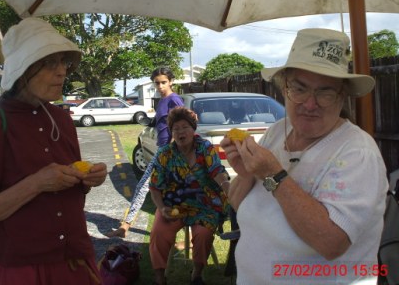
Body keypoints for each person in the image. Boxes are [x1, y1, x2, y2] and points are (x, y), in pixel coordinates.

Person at [220, 28, 389, 284]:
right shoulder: (278, 131)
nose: (310, 104)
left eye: (325, 92)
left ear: (341, 96)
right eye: (299, 89)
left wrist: (273, 175)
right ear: (284, 88)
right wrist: (246, 174)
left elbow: (331, 242)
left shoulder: (358, 152)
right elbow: (236, 204)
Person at [0, 18, 108, 285]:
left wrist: (86, 179)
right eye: (51, 62)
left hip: (74, 260)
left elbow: (71, 188)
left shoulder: (62, 120)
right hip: (22, 270)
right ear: (23, 70)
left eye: (64, 62)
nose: (62, 71)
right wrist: (36, 183)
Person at [149, 107, 230, 285]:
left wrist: (226, 186)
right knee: (159, 232)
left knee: (203, 233)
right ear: (171, 132)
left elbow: (217, 170)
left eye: (185, 127)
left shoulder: (204, 148)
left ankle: (197, 274)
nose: (180, 132)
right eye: (175, 128)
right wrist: (162, 207)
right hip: (173, 205)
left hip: (204, 204)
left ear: (193, 129)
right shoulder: (165, 154)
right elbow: (154, 187)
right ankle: (159, 277)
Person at [106, 66, 184, 238]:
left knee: (166, 189)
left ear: (171, 82)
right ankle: (125, 226)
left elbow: (181, 127)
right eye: (157, 83)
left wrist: (172, 148)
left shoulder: (174, 100)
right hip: (162, 149)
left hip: (170, 152)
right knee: (165, 189)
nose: (160, 86)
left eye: (164, 82)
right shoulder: (163, 100)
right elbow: (160, 123)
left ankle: (190, 236)